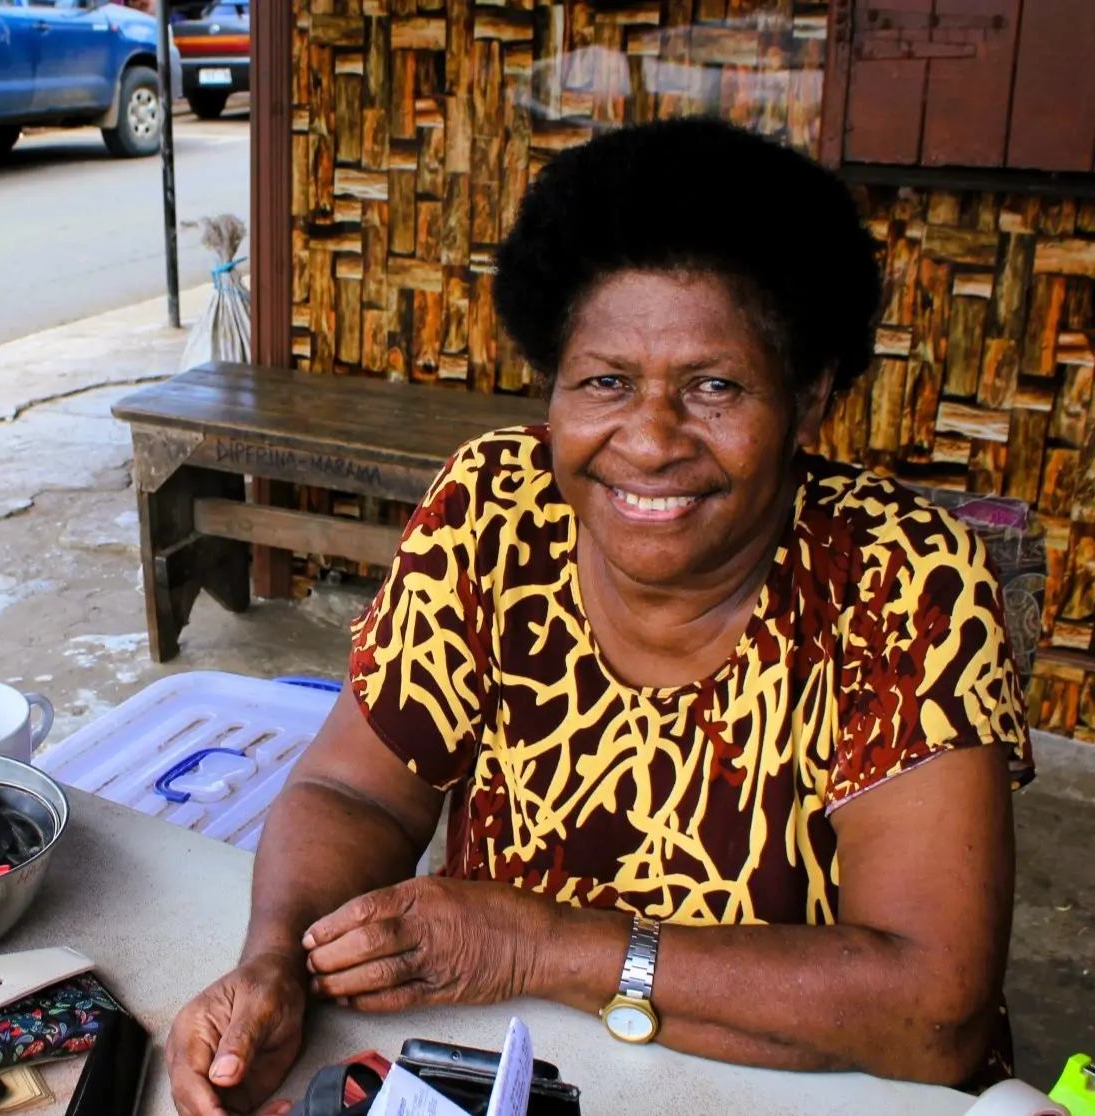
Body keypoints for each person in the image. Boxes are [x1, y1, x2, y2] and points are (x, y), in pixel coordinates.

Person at [165, 117, 1033, 1116]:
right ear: (554, 386)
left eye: (714, 386)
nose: (650, 440)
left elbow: (931, 1013)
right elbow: (358, 795)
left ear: (809, 399)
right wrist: (274, 959)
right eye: (606, 382)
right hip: (520, 1068)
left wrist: (536, 943)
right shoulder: (494, 508)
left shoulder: (903, 583)